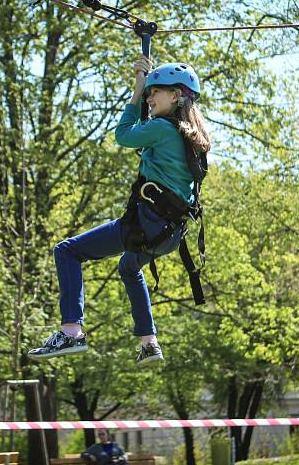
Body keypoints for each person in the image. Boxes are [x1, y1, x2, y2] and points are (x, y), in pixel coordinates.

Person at [27, 56, 211, 365]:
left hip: (147, 225)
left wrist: (137, 91)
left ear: (177, 95)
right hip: (170, 233)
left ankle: (71, 331)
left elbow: (124, 135)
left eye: (156, 92)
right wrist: (146, 93)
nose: (150, 97)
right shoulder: (190, 136)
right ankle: (149, 342)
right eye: (149, 92)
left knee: (67, 251)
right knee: (128, 267)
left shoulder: (163, 130)